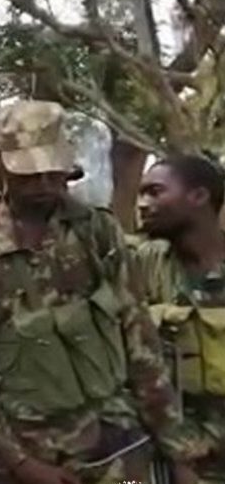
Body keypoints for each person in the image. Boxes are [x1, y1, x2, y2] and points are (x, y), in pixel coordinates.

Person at [0, 100, 199, 484]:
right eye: (29, 174)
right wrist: (21, 464)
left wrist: (177, 450)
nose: (44, 185)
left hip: (115, 446)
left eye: (52, 172)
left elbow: (139, 340)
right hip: (23, 451)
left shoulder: (97, 230)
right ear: (1, 164)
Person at [137, 155, 225, 483]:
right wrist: (179, 454)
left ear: (199, 196)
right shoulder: (142, 264)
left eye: (155, 192)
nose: (143, 204)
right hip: (173, 453)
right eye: (141, 193)